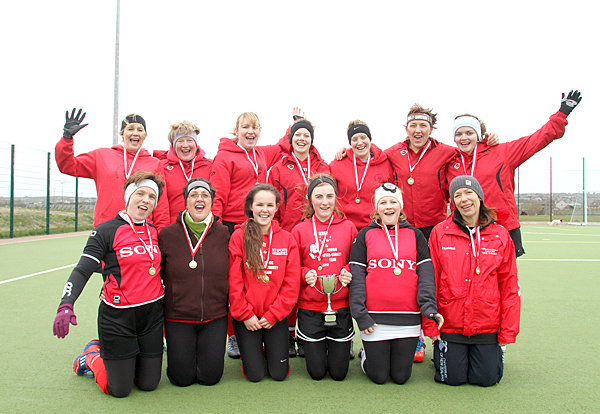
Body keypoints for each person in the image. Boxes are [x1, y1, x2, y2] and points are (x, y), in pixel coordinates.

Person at [52, 171, 165, 398]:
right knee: (119, 390)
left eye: (152, 197)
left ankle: (121, 360)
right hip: (117, 318)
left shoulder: (154, 232)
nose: (146, 200)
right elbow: (83, 269)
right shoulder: (105, 231)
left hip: (152, 317)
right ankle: (91, 356)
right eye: (140, 193)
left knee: (148, 384)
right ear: (128, 196)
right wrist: (66, 303)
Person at [445, 90, 582, 257]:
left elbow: (536, 140)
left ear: (479, 135)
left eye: (469, 133)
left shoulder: (502, 153)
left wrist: (562, 114)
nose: (463, 138)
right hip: (464, 228)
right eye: (458, 134)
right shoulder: (450, 161)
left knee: (505, 279)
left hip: (502, 226)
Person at [424, 175, 520, 387]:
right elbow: (431, 282)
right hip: (450, 323)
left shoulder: (501, 235)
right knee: (452, 379)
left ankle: (492, 354)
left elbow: (510, 286)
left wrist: (507, 331)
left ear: (479, 197)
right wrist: (431, 327)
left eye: (469, 193)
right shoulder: (440, 233)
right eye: (457, 195)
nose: (464, 199)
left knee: (486, 380)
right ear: (452, 202)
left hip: (486, 324)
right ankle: (443, 353)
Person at [348, 183, 442, 384]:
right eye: (383, 202)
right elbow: (356, 278)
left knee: (401, 377)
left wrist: (428, 306)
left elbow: (426, 274)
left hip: (408, 319)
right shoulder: (365, 235)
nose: (388, 206)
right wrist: (360, 314)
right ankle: (368, 354)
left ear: (401, 207)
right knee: (379, 377)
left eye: (393, 202)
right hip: (374, 320)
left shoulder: (416, 235)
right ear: (377, 208)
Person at [158, 178, 230, 386]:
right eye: (194, 195)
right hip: (178, 317)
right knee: (180, 379)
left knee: (210, 378)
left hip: (214, 316)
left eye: (205, 195)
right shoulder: (167, 234)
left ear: (211, 201)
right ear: (186, 202)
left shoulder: (224, 233)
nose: (199, 199)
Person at [268, 118, 330, 357]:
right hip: (286, 233)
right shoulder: (278, 167)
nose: (302, 139)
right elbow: (271, 202)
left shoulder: (322, 166)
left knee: (310, 281)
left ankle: (307, 334)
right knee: (288, 284)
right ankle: (288, 334)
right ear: (290, 138)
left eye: (306, 135)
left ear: (312, 139)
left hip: (315, 234)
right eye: (297, 135)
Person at [228, 184, 301, 382]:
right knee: (255, 375)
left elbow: (291, 284)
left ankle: (269, 347)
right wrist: (245, 315)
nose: (265, 210)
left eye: (270, 205)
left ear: (276, 208)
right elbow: (234, 282)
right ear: (251, 206)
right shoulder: (238, 236)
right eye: (259, 204)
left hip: (274, 316)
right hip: (247, 317)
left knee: (279, 374)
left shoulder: (287, 239)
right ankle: (254, 349)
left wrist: (274, 314)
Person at [55, 110, 169, 230]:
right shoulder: (101, 156)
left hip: (141, 229)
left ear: (145, 136)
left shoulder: (154, 163)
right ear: (122, 133)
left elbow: (161, 205)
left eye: (140, 130)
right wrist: (66, 139)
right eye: (130, 129)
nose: (135, 133)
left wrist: (161, 234)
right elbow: (68, 166)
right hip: (106, 229)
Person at [291, 174, 357, 380]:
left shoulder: (349, 227)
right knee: (317, 373)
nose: (325, 202)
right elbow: (293, 266)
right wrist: (304, 274)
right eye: (319, 196)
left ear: (336, 198)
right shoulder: (299, 229)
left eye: (330, 196)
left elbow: (356, 261)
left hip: (340, 305)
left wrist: (347, 270)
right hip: (310, 307)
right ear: (310, 199)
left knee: (339, 374)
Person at [329, 120, 396, 230]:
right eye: (354, 139)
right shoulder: (337, 164)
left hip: (375, 226)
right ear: (350, 143)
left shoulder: (385, 163)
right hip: (344, 226)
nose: (360, 143)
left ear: (370, 139)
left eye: (363, 137)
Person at [153, 121, 213, 224]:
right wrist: (162, 231)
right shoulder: (162, 167)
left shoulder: (210, 166)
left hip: (203, 228)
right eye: (180, 141)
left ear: (196, 144)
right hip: (174, 228)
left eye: (189, 140)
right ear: (173, 145)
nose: (185, 145)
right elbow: (160, 205)